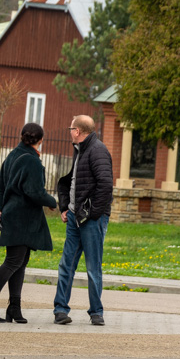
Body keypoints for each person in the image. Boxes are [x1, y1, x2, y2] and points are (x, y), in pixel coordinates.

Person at [0, 123, 57, 324]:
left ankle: (14, 307)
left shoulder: (12, 155)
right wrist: (52, 202)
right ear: (41, 140)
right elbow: (34, 192)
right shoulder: (31, 161)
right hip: (23, 218)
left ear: (22, 136)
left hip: (11, 215)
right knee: (13, 262)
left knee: (20, 263)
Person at [53, 115, 113, 326]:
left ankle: (96, 312)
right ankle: (60, 310)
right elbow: (74, 182)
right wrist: (66, 207)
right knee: (66, 264)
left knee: (92, 267)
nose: (69, 131)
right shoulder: (81, 149)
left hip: (91, 220)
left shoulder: (97, 150)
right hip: (75, 218)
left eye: (71, 128)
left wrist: (92, 214)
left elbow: (105, 185)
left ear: (77, 131)